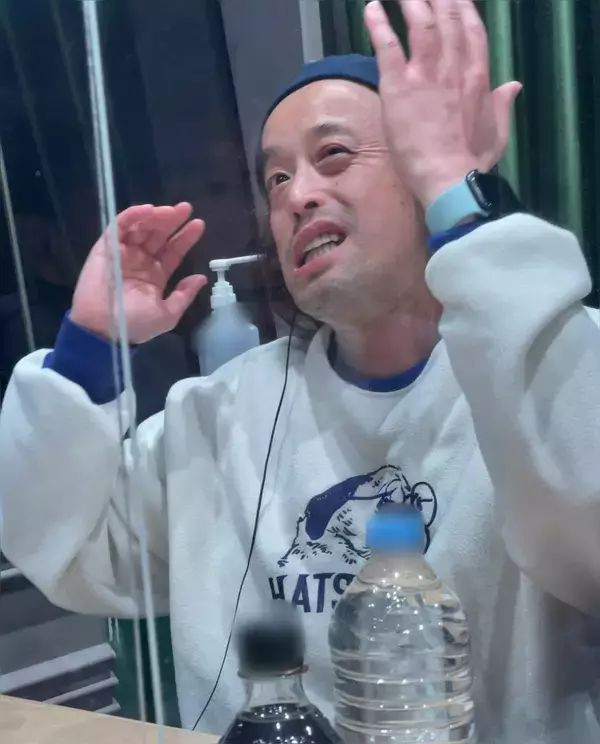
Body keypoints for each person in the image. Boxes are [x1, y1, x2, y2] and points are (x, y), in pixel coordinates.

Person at [1, 0, 600, 741]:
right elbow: (70, 552)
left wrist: (460, 197)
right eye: (276, 179)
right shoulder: (218, 416)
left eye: (335, 155)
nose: (297, 195)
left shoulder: (553, 364)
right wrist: (90, 346)